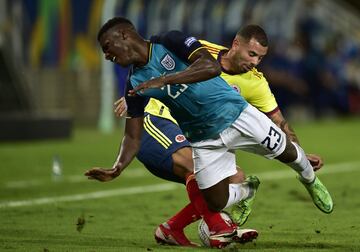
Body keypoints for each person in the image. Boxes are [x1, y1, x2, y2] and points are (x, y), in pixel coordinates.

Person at [85, 16, 333, 247]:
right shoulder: (135, 83)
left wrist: (166, 79)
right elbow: (132, 135)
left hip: (236, 115)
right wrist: (117, 167)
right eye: (252, 54)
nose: (106, 55)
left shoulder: (169, 41)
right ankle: (245, 192)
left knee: (288, 153)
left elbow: (210, 67)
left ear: (125, 35)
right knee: (216, 200)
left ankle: (309, 179)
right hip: (203, 137)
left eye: (107, 46)